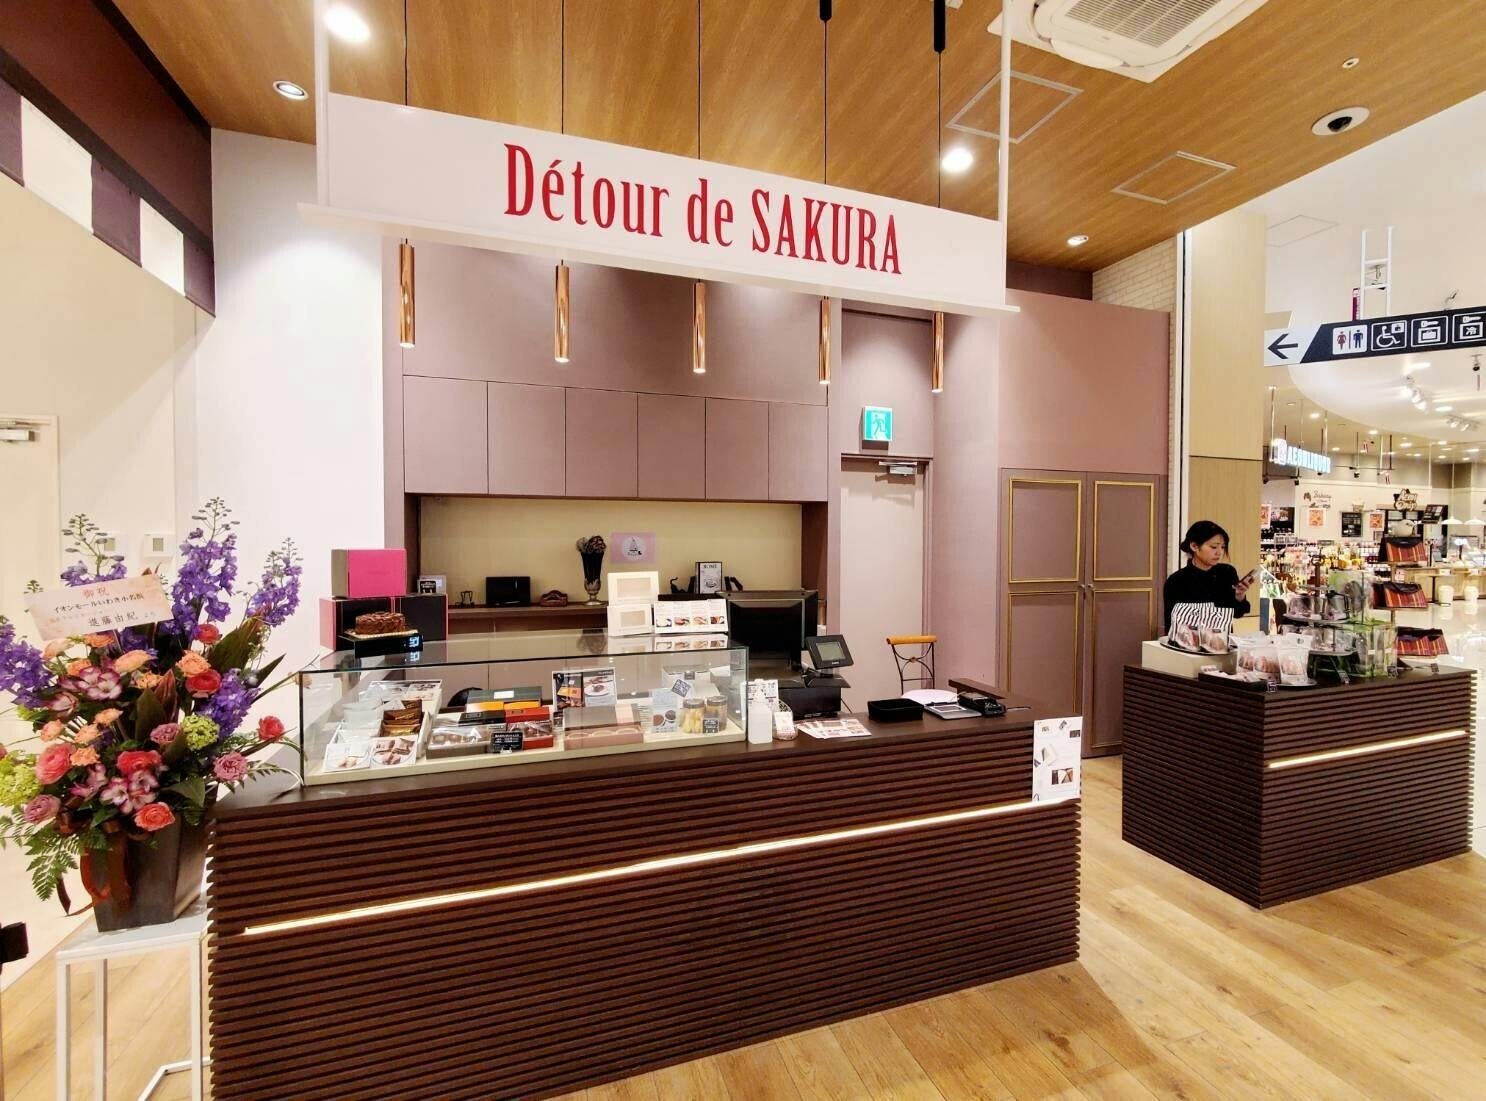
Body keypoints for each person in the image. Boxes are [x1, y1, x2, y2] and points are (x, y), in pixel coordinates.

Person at [1163, 520, 1252, 631]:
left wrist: (1239, 596)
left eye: (1223, 547)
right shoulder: (1176, 581)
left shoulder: (1227, 572)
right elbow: (1171, 623)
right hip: (1189, 639)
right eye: (1214, 547)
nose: (1219, 552)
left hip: (1221, 639)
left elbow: (1238, 613)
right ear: (1194, 546)